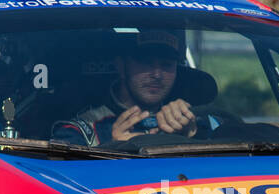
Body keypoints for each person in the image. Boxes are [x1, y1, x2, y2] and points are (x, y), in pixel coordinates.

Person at [53, 29, 199, 144]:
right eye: (146, 62)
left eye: (166, 65)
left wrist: (191, 137)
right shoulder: (80, 131)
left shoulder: (193, 122)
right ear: (121, 66)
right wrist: (112, 150)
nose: (157, 75)